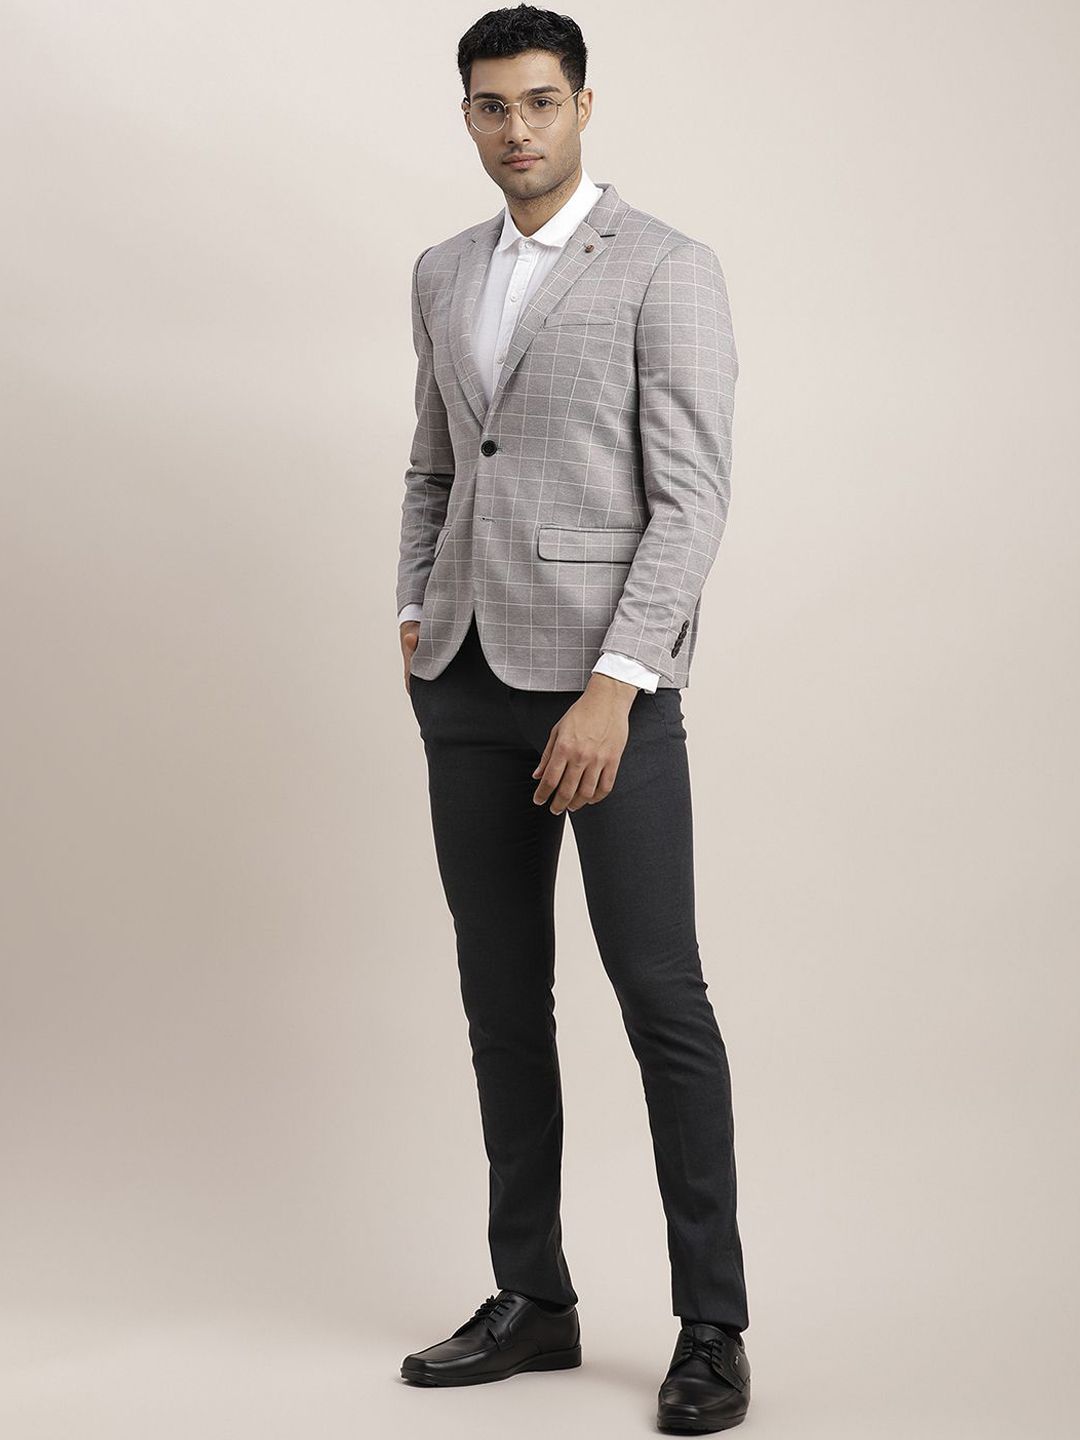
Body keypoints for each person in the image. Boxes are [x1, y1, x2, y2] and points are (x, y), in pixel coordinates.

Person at [395, 7, 751, 1431]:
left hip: (608, 692)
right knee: (500, 1000)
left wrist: (619, 683)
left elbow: (693, 498)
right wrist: (413, 612)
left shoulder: (667, 266)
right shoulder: (441, 270)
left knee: (662, 999)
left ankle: (712, 1325)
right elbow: (434, 463)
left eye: (540, 102)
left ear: (584, 106)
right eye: (492, 106)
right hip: (465, 682)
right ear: (468, 117)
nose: (518, 129)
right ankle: (532, 1298)